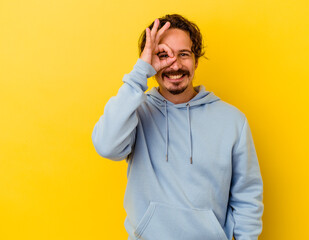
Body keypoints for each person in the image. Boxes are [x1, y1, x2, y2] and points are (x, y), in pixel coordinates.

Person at [92, 14, 263, 240]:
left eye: (184, 54)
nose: (175, 65)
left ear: (196, 60)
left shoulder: (232, 121)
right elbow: (106, 146)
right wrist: (139, 73)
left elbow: (247, 197)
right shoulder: (135, 113)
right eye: (163, 55)